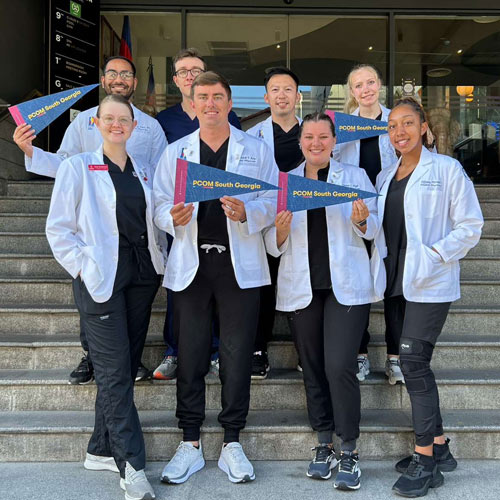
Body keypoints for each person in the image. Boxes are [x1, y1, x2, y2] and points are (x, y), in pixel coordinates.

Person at [154, 71, 278, 485]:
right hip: (191, 267)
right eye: (202, 97)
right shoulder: (176, 152)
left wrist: (249, 214)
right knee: (189, 354)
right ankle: (189, 442)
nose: (209, 104)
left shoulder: (255, 149)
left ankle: (231, 441)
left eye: (217, 97)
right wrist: (169, 217)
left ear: (229, 104)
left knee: (237, 354)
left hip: (237, 265)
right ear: (192, 104)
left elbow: (272, 198)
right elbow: (156, 203)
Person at [13, 55, 167, 385]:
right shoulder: (83, 121)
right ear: (103, 79)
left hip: (136, 236)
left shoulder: (151, 128)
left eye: (126, 74)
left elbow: (160, 178)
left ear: (134, 83)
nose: (119, 78)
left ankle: (128, 360)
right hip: (94, 233)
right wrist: (30, 152)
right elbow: (65, 165)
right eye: (112, 73)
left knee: (129, 309)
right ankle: (91, 355)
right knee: (95, 295)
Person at [46, 94, 164, 500]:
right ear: (95, 124)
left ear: (133, 127)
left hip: (141, 276)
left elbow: (157, 218)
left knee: (126, 364)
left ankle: (99, 448)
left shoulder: (145, 171)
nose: (117, 124)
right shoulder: (77, 167)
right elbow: (58, 230)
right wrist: (83, 266)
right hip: (100, 281)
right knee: (114, 373)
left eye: (124, 119)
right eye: (108, 118)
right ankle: (132, 467)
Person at [265, 112, 383, 490]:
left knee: (338, 366)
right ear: (300, 142)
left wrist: (361, 220)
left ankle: (348, 448)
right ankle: (324, 443)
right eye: (309, 137)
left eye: (323, 137)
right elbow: (272, 243)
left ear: (335, 141)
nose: (315, 143)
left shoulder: (354, 177)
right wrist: (279, 232)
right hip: (303, 287)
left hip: (345, 287)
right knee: (313, 367)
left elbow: (374, 228)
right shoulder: (287, 182)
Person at [375, 98, 483, 497]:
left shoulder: (447, 169)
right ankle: (439, 447)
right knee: (414, 363)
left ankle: (424, 462)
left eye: (407, 123)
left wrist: (436, 254)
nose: (399, 131)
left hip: (430, 281)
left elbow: (471, 225)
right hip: (396, 281)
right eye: (392, 126)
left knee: (414, 364)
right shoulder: (386, 176)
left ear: (423, 127)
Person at [153, 48, 241, 381]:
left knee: (220, 294)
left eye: (197, 70)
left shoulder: (225, 118)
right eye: (184, 72)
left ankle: (217, 351)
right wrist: (168, 215)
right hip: (184, 220)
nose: (190, 76)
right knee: (181, 291)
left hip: (223, 221)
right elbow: (157, 176)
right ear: (176, 80)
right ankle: (174, 351)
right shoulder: (164, 121)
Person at [333, 63, 399, 384]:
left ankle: (394, 356)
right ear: (352, 92)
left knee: (394, 283)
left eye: (370, 82)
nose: (366, 89)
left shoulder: (395, 121)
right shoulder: (341, 125)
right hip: (356, 209)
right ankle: (359, 354)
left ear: (380, 85)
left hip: (391, 206)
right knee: (358, 279)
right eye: (358, 85)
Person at [247, 66, 303, 379]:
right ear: (266, 97)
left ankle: (305, 350)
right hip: (267, 218)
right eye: (275, 90)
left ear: (298, 96)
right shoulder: (251, 136)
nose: (282, 95)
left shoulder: (312, 131)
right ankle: (258, 349)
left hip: (305, 217)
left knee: (304, 279)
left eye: (288, 89)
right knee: (263, 284)